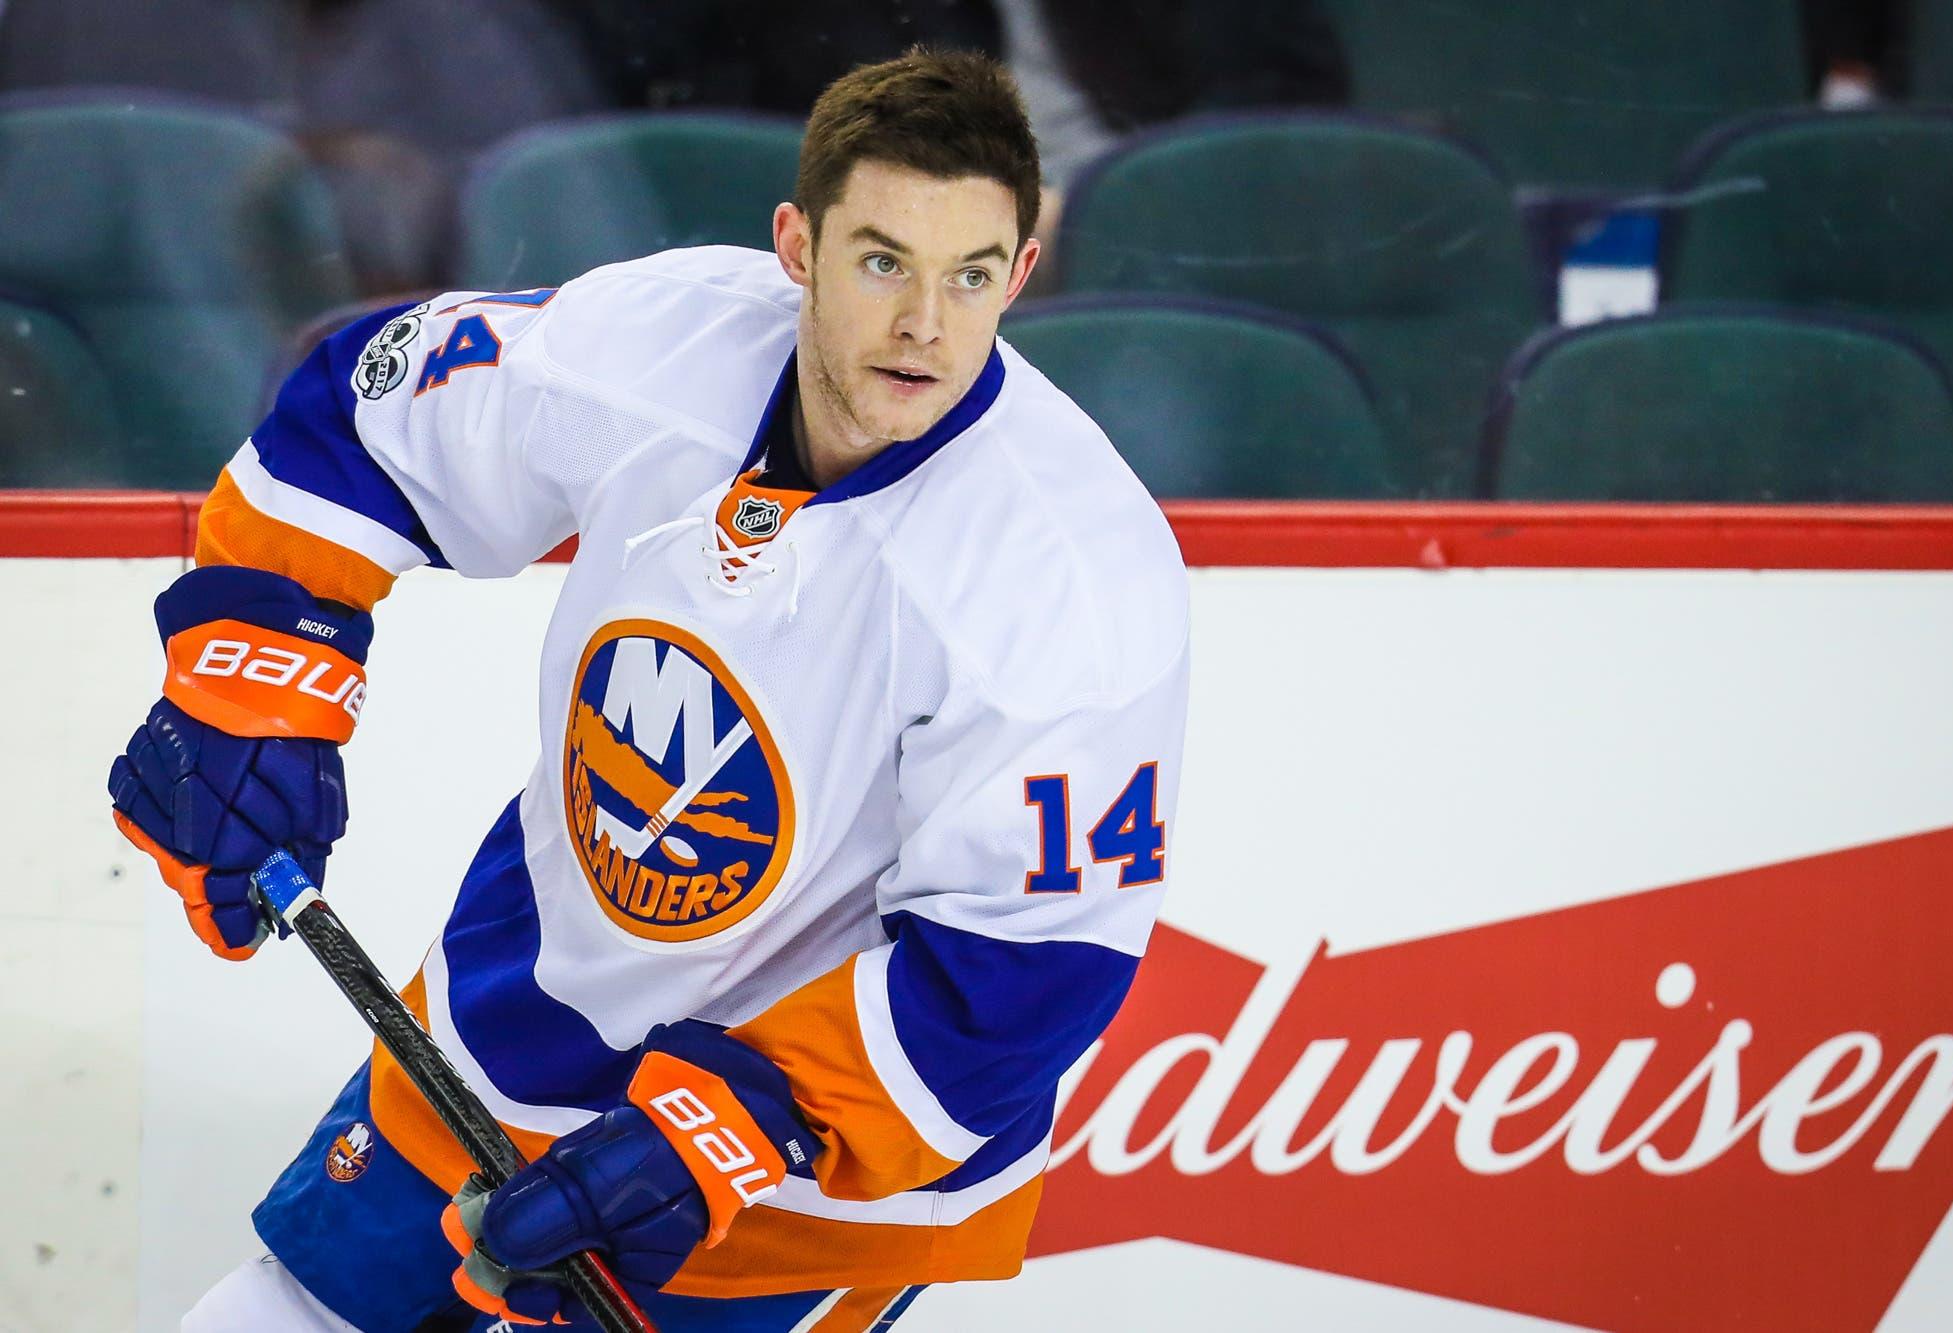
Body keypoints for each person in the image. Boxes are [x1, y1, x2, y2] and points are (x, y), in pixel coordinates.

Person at [107, 47, 1190, 1333]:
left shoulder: (1070, 577)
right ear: (797, 245)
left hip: (803, 1177)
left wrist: (722, 1134)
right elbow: (372, 411)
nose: (923, 326)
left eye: (969, 277)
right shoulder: (658, 344)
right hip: (518, 1016)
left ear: (1020, 273)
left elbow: (1020, 977)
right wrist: (253, 675)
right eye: (883, 260)